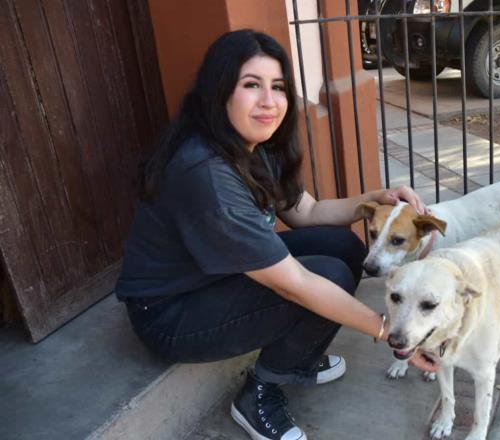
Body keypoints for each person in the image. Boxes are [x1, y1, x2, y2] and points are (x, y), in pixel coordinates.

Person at [115, 30, 435, 440]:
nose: (270, 101)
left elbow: (308, 212)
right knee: (326, 278)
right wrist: (389, 330)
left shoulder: (254, 145)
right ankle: (259, 394)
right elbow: (296, 284)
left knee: (341, 246)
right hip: (170, 313)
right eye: (252, 85)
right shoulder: (206, 173)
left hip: (216, 278)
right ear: (219, 91)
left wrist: (377, 196)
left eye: (278, 86)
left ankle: (297, 360)